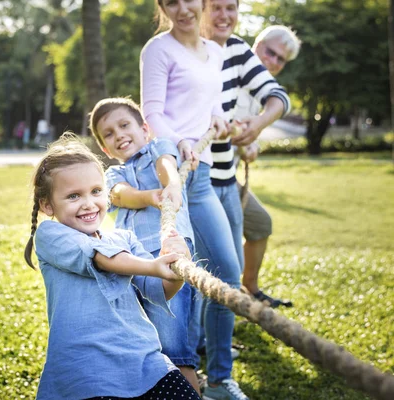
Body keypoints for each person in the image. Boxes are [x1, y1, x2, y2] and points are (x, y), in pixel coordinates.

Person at [24, 133, 202, 400]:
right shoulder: (50, 236)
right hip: (87, 370)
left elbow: (158, 289)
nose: (88, 203)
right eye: (73, 196)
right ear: (47, 205)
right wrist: (154, 265)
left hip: (144, 360)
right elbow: (101, 258)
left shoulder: (124, 238)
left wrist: (176, 268)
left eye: (96, 191)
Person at [140, 1, 248, 399]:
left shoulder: (214, 51)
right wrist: (181, 139)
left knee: (225, 275)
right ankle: (177, 375)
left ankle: (219, 380)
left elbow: (210, 100)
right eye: (171, 1)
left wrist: (217, 117)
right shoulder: (158, 50)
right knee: (179, 281)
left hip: (198, 177)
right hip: (170, 173)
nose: (182, 8)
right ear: (163, 6)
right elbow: (151, 113)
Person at [89, 97, 203, 394]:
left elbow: (166, 164)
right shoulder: (114, 174)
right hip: (134, 266)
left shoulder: (159, 148)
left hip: (169, 256)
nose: (119, 135)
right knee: (147, 347)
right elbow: (119, 194)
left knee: (174, 351)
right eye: (109, 134)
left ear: (144, 128)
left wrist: (171, 187)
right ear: (104, 148)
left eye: (124, 125)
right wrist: (149, 196)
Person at [233, 25, 301, 307]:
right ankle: (203, 329)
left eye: (279, 59)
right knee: (220, 250)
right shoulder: (230, 73)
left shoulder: (261, 92)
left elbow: (248, 133)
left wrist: (250, 145)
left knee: (260, 223)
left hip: (226, 179)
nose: (271, 61)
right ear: (256, 44)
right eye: (268, 52)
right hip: (203, 177)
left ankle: (250, 289)